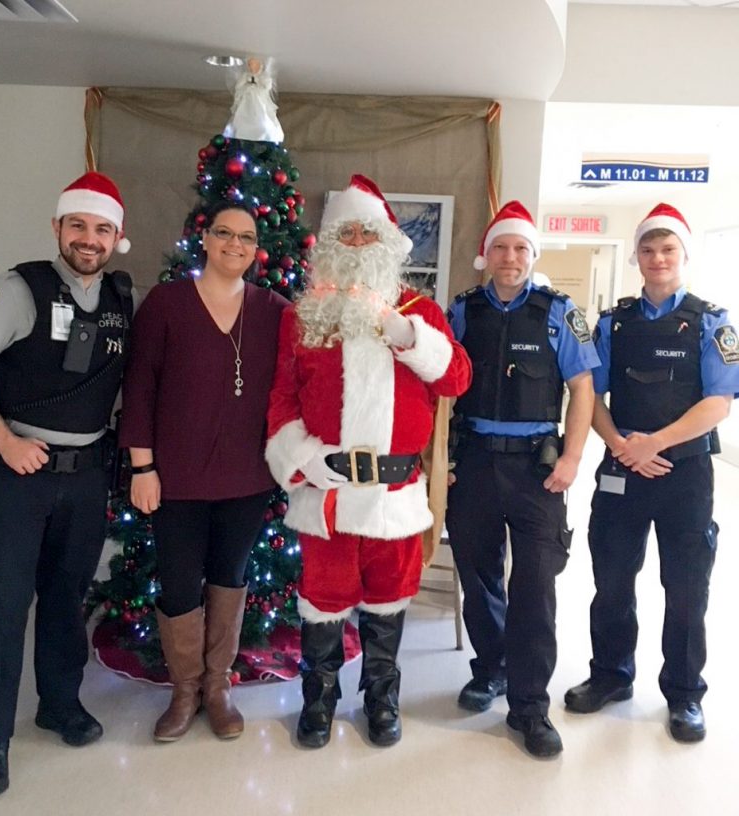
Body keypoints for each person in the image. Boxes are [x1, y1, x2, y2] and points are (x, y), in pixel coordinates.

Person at [0, 172, 134, 798]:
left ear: (116, 237)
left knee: (65, 600)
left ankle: (59, 705)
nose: (89, 238)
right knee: (0, 609)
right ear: (57, 228)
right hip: (17, 476)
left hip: (86, 480)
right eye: (77, 225)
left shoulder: (121, 298)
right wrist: (5, 441)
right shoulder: (18, 288)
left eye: (101, 229)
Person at [265, 175, 471, 749]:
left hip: (395, 497)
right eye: (345, 233)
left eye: (367, 232)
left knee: (388, 602)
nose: (355, 243)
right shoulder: (302, 316)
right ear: (330, 243)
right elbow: (281, 399)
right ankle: (319, 702)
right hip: (327, 494)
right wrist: (304, 458)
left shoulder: (419, 311)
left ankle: (382, 700)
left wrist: (404, 333)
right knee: (321, 604)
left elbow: (457, 377)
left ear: (387, 243)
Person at [565, 203, 738, 743]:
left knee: (686, 589)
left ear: (683, 255)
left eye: (668, 249)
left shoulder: (713, 321)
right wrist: (620, 444)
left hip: (684, 475)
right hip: (621, 470)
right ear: (637, 257)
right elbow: (589, 391)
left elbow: (719, 403)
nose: (658, 258)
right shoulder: (614, 323)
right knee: (611, 581)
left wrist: (655, 443)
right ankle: (611, 676)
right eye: (648, 249)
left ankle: (684, 695)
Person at [119, 200, 289, 743]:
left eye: (246, 236)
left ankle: (217, 687)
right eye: (224, 233)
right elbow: (139, 387)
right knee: (177, 585)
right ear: (206, 238)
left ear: (256, 247)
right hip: (176, 479)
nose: (235, 244)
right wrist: (142, 465)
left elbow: (296, 388)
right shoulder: (166, 304)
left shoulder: (276, 311)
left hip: (246, 479)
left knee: (229, 579)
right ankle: (184, 690)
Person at [445, 200, 599, 758]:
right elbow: (439, 389)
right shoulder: (461, 313)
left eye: (520, 249)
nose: (510, 258)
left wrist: (573, 458)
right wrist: (443, 461)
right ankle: (490, 667)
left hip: (538, 471)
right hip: (474, 464)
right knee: (479, 574)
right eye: (501, 248)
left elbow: (582, 387)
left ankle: (530, 705)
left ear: (533, 255)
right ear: (485, 255)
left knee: (534, 584)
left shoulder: (558, 312)